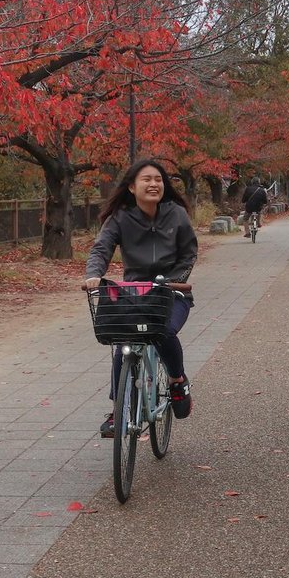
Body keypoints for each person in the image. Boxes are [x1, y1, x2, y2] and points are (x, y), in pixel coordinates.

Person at [84, 158, 198, 437]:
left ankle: (176, 379)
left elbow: (189, 254)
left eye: (158, 179)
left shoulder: (177, 214)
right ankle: (118, 409)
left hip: (171, 292)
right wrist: (93, 274)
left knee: (165, 331)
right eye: (146, 179)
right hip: (134, 294)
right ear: (132, 187)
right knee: (122, 341)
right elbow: (101, 249)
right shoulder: (120, 217)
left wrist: (176, 280)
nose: (153, 184)